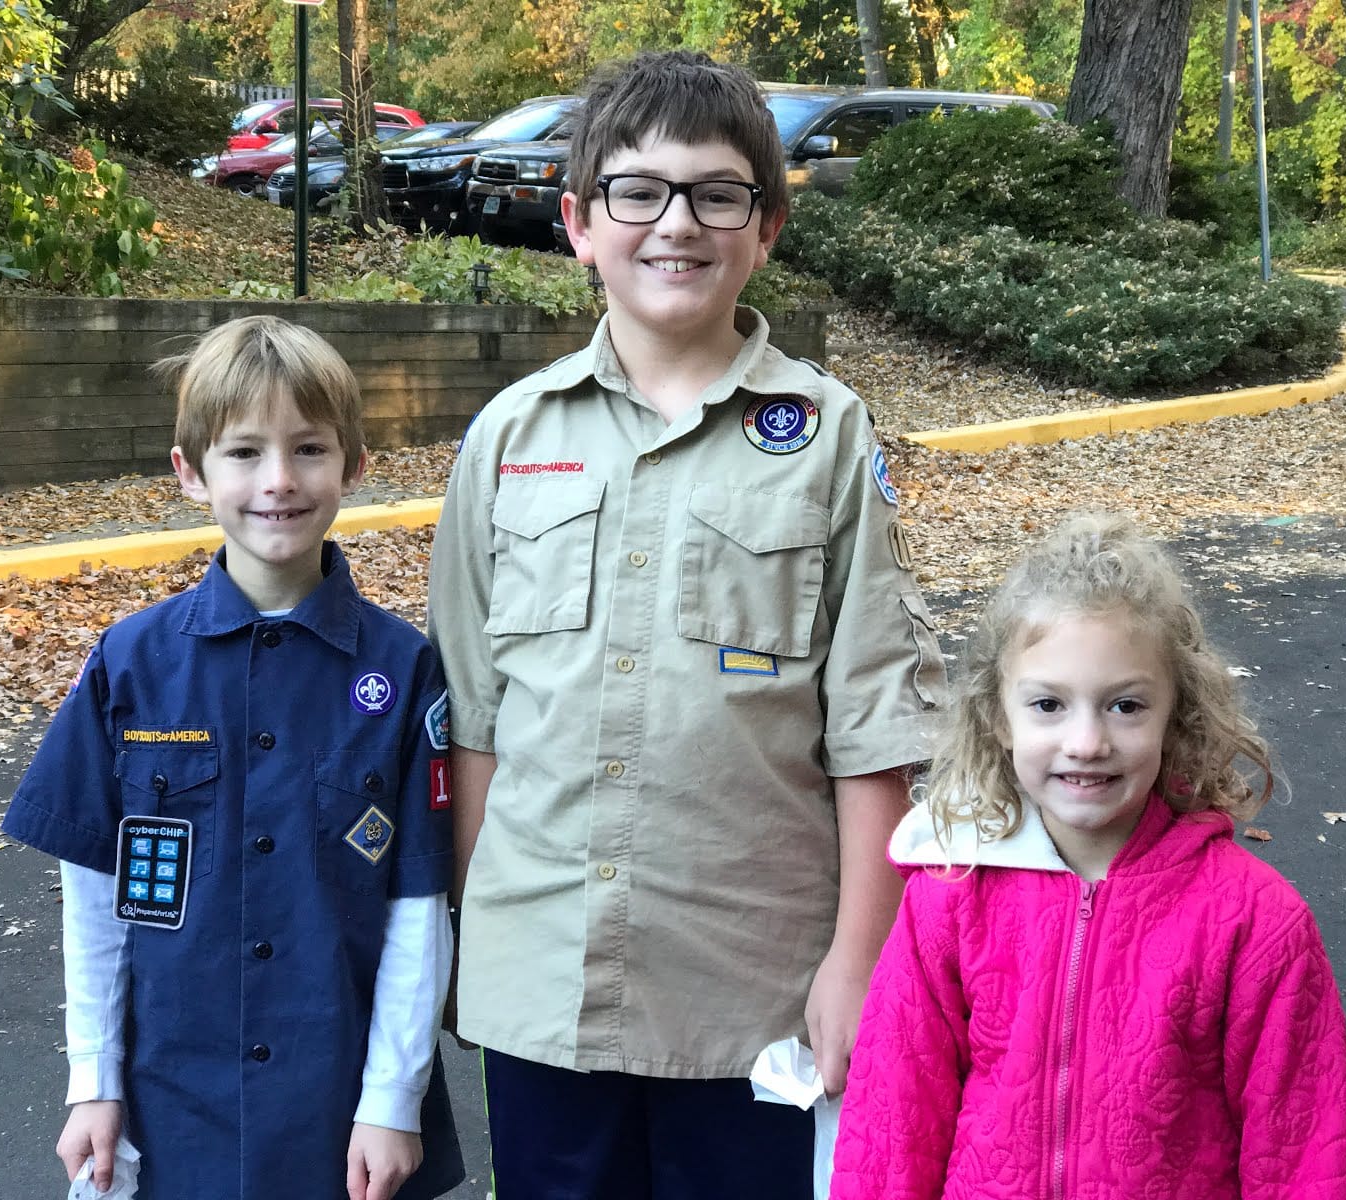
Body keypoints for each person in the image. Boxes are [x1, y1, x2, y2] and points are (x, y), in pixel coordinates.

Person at [427, 50, 948, 1200]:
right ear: (577, 221)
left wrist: (858, 963)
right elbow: (472, 720)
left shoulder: (824, 436)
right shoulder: (509, 438)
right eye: (637, 191)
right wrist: (482, 938)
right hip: (545, 983)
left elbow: (874, 729)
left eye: (717, 193)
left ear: (764, 227)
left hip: (750, 989)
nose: (676, 223)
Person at [1, 315, 463, 1200]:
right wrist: (94, 1082)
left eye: (310, 449)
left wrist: (393, 1099)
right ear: (190, 472)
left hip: (340, 1106)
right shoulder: (130, 664)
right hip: (171, 1101)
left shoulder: (404, 671)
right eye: (244, 452)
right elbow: (94, 896)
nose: (279, 481)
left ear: (355, 465)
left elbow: (420, 905)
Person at [830, 512, 1346, 1199]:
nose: (1087, 741)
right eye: (1049, 705)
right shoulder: (949, 895)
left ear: (1175, 714)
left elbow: (1306, 1151)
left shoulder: (1256, 921)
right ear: (999, 718)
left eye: (1124, 705)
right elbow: (892, 1124)